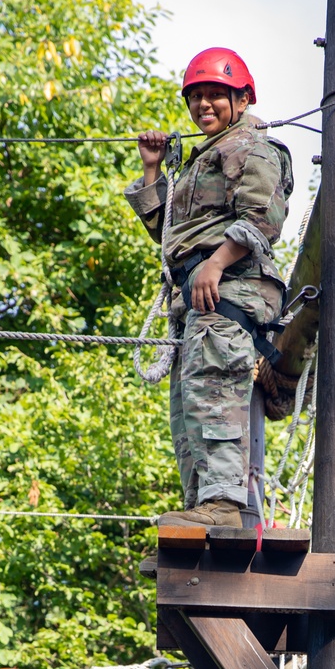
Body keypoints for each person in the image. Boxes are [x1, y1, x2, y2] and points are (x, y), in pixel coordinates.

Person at [126, 47, 294, 528]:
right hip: (199, 297)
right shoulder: (205, 156)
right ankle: (205, 504)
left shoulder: (253, 147)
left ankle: (224, 505)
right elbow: (171, 236)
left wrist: (216, 265)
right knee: (190, 406)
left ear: (241, 99)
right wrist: (154, 170)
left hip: (230, 290)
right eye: (196, 97)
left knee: (215, 389)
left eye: (216, 95)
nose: (204, 105)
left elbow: (264, 218)